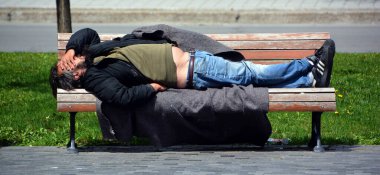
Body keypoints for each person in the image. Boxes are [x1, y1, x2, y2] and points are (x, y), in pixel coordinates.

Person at [50, 36, 335, 108]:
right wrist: (152, 88)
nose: (69, 61)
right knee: (251, 73)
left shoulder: (93, 58)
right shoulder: (96, 78)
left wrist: (72, 50)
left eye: (66, 60)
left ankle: (308, 80)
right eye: (66, 66)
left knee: (250, 76)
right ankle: (309, 64)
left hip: (196, 62)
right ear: (75, 76)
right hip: (195, 70)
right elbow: (121, 97)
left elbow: (87, 33)